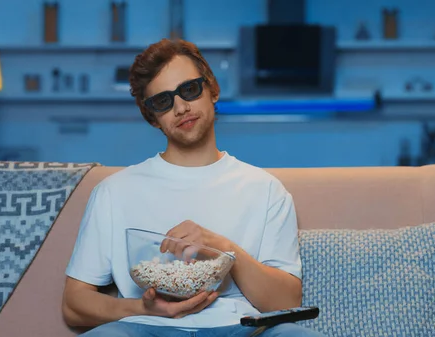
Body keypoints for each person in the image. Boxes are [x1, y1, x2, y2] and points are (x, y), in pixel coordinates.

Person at [62, 38, 326, 337]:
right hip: (144, 328)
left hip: (242, 329)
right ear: (153, 119)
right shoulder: (114, 192)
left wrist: (223, 249)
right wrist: (144, 309)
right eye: (163, 101)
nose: (181, 107)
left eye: (189, 89)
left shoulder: (264, 189)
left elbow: (286, 302)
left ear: (212, 90)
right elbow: (74, 304)